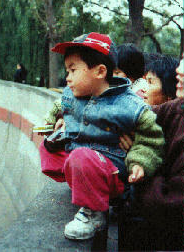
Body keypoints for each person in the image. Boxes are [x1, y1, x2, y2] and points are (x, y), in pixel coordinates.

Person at [39, 32, 164, 240]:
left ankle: (93, 212)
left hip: (111, 170)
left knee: (81, 157)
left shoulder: (129, 106)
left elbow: (150, 139)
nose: (67, 77)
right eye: (66, 70)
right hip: (81, 155)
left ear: (99, 71)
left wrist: (139, 162)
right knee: (48, 147)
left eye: (73, 70)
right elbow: (61, 104)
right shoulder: (74, 92)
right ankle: (83, 182)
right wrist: (52, 121)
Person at [118, 55, 184, 251]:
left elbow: (167, 205)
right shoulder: (177, 109)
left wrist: (142, 165)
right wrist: (67, 115)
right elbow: (127, 116)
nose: (179, 70)